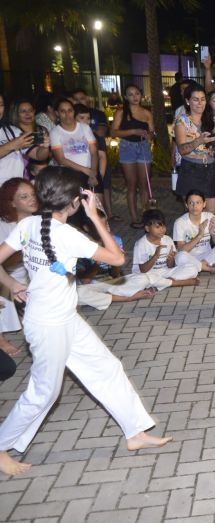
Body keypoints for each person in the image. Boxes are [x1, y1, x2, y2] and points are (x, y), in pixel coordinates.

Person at [0, 166, 172, 476]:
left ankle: (135, 433)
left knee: (107, 368)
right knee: (44, 392)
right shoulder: (67, 235)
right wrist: (94, 217)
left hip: (64, 318)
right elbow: (118, 258)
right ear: (74, 201)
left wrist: (14, 286)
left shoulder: (28, 225)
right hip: (48, 325)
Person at [174, 85, 215, 216]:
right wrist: (199, 140)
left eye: (202, 99)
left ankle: (208, 236)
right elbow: (182, 150)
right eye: (195, 99)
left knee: (210, 214)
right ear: (187, 101)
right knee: (193, 214)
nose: (200, 103)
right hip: (191, 169)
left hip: (210, 168)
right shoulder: (182, 122)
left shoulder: (212, 120)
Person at [111, 84, 154, 227]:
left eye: (137, 93)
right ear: (125, 97)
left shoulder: (147, 113)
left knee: (144, 184)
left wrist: (150, 135)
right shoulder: (121, 112)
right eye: (130, 94)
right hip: (127, 147)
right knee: (131, 185)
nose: (134, 97)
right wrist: (134, 131)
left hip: (143, 147)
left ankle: (145, 215)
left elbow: (152, 133)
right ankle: (134, 218)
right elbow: (113, 132)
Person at [0, 178, 35, 356]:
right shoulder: (4, 226)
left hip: (30, 275)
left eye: (33, 194)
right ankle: (1, 339)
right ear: (12, 203)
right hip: (6, 276)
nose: (32, 199)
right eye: (24, 196)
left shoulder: (39, 220)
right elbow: (3, 264)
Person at [173, 190, 215, 276]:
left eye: (198, 202)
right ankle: (211, 269)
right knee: (180, 257)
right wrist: (199, 235)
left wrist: (212, 232)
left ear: (204, 204)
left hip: (207, 257)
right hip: (190, 258)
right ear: (186, 205)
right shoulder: (180, 222)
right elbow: (182, 250)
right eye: (191, 203)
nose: (195, 206)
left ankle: (202, 266)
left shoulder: (209, 216)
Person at [132, 209, 200, 285]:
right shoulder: (141, 244)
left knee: (193, 269)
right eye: (157, 227)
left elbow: (171, 266)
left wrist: (170, 259)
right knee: (143, 280)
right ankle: (178, 282)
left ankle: (165, 282)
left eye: (163, 226)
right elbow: (143, 270)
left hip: (165, 273)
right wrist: (155, 256)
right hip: (148, 274)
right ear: (147, 228)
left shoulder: (168, 239)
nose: (162, 230)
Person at [49, 98, 99, 188]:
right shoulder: (55, 132)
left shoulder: (85, 128)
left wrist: (93, 172)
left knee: (97, 200)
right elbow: (61, 159)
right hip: (70, 174)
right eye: (63, 111)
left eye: (70, 110)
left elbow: (94, 152)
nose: (67, 114)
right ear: (57, 113)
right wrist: (86, 171)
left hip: (91, 170)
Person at [8, 98, 51, 178]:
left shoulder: (41, 129)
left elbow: (47, 154)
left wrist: (46, 149)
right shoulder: (14, 133)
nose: (28, 114)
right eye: (23, 111)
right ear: (16, 114)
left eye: (30, 110)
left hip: (43, 170)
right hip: (22, 173)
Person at [0, 94, 36, 184]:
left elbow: (37, 155)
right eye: (23, 111)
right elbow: (14, 144)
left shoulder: (12, 130)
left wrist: (45, 147)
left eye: (1, 105)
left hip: (14, 188)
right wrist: (12, 145)